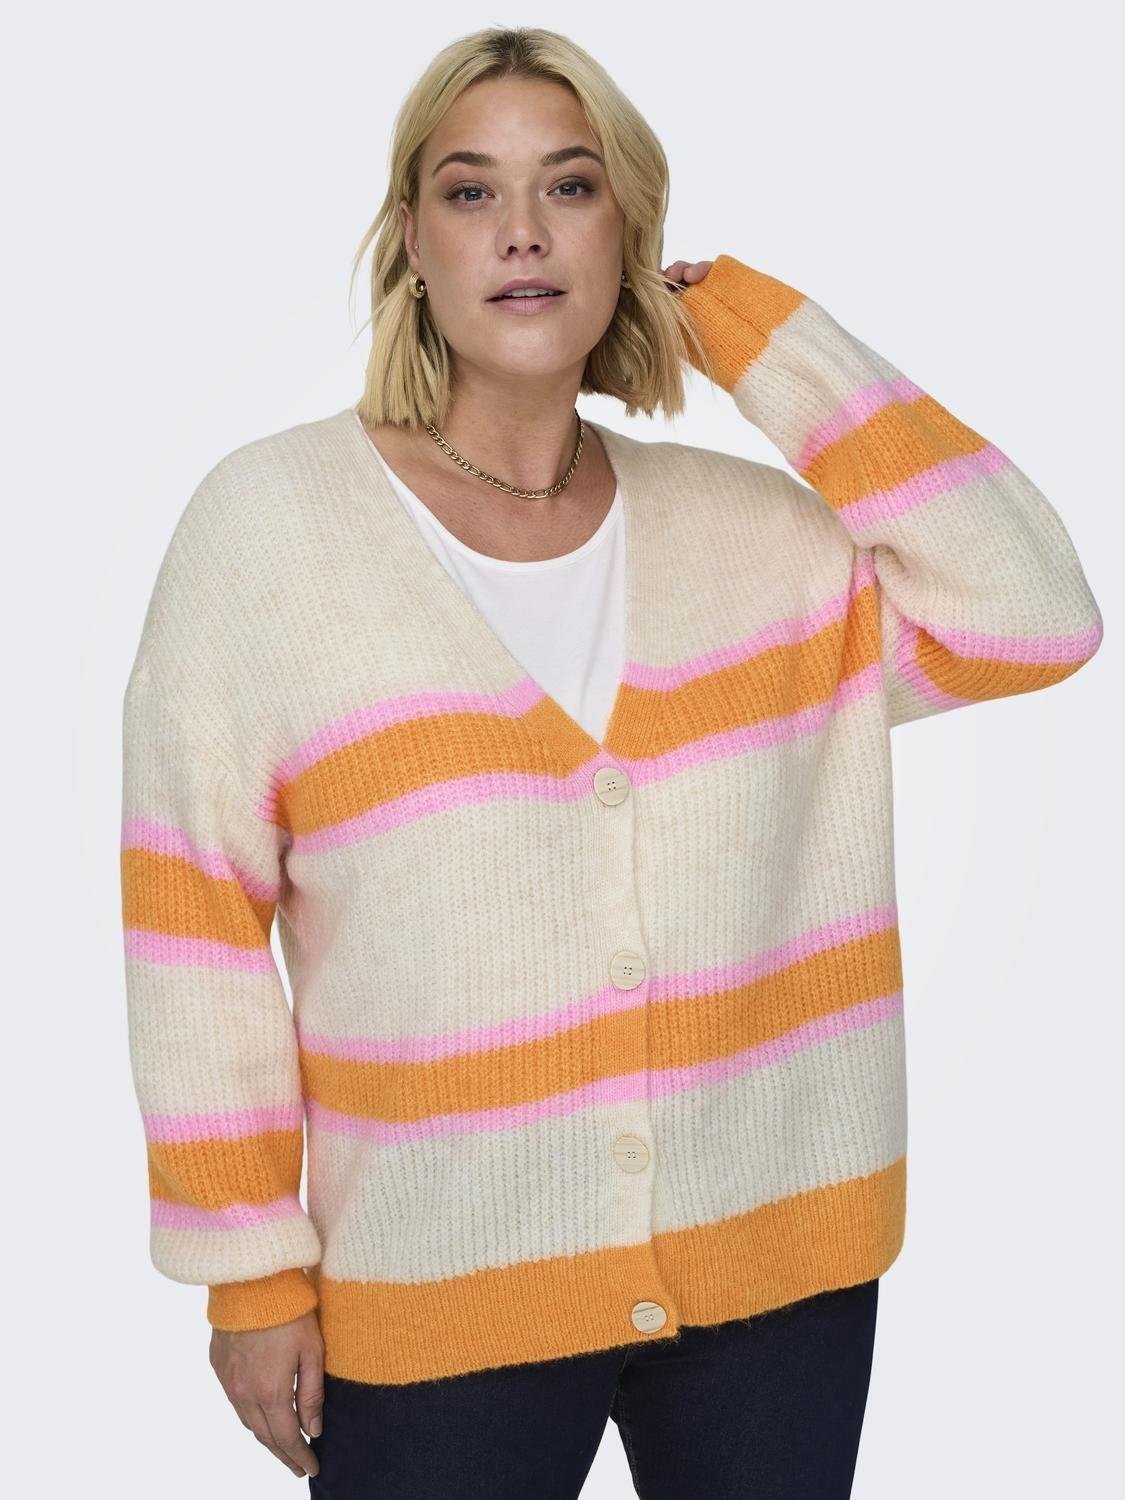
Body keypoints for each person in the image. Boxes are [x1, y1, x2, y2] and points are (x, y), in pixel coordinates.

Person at [118, 25, 1103, 1500]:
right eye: (470, 192)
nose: (521, 231)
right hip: (440, 1279)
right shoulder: (269, 533)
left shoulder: (759, 543)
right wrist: (250, 1274)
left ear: (625, 231)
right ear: (411, 242)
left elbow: (1031, 614)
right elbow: (191, 916)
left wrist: (758, 331)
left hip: (777, 1267)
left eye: (570, 188)